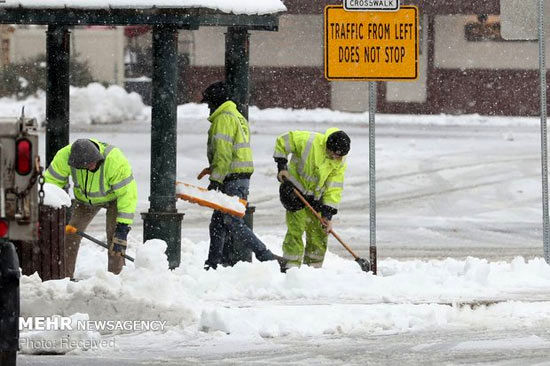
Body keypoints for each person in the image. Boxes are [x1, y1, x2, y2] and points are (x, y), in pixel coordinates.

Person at [198, 80, 287, 271]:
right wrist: (214, 170)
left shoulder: (224, 118)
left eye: (208, 103)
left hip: (232, 179)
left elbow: (223, 152)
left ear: (215, 101)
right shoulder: (236, 116)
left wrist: (216, 179)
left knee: (232, 221)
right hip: (238, 178)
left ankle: (267, 257)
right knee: (218, 224)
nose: (207, 107)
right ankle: (212, 264)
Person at [44, 138, 137, 278]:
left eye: (93, 163)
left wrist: (122, 229)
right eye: (87, 166)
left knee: (115, 239)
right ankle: (64, 276)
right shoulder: (65, 156)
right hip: (84, 200)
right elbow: (50, 183)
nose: (92, 167)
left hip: (114, 198)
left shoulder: (114, 160)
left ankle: (115, 277)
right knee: (70, 234)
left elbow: (127, 195)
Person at [273, 128, 350, 270]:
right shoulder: (308, 140)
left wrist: (327, 214)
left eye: (339, 156)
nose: (335, 158)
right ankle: (291, 267)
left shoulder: (339, 162)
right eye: (333, 153)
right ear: (328, 146)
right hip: (294, 192)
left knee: (319, 234)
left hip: (316, 199)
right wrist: (281, 167)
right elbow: (282, 141)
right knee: (296, 230)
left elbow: (334, 188)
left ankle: (313, 269)